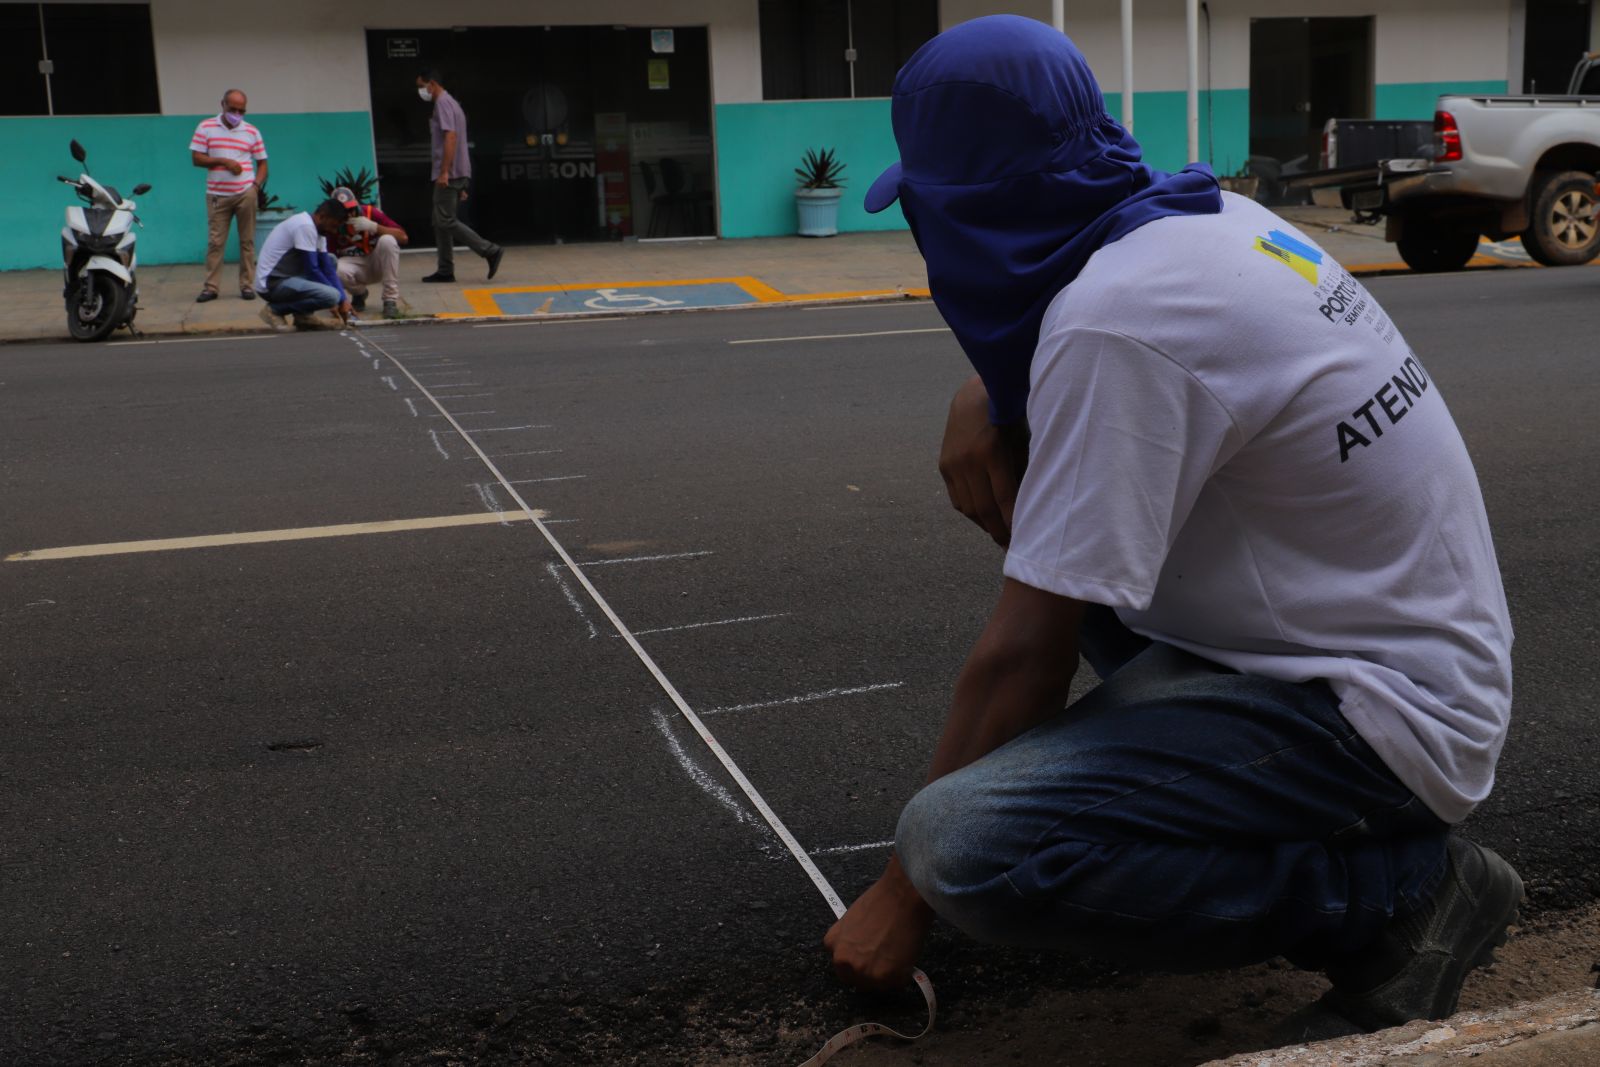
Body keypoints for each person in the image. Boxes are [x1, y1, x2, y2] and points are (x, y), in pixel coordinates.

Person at [823, 15, 1520, 1041]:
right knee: (1054, 505)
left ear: (969, 202)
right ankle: (1268, 819)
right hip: (1380, 641)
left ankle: (1402, 894)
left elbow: (1026, 654)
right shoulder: (1203, 223)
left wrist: (900, 894)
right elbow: (1138, 352)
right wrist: (990, 394)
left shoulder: (1117, 325)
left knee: (963, 844)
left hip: (1382, 713)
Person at [415, 70, 502, 283]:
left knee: (445, 219)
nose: (420, 91)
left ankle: (489, 250)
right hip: (458, 172)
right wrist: (462, 181)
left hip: (449, 173)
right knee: (440, 221)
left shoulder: (443, 104)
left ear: (432, 83)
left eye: (421, 85)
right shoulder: (454, 104)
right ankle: (445, 270)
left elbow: (451, 137)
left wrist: (445, 171)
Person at [190, 89, 269, 303]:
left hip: (246, 193)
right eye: (232, 109)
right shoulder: (206, 127)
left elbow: (263, 163)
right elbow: (196, 158)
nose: (236, 114)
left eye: (241, 110)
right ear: (222, 104)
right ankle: (211, 288)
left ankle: (246, 285)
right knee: (216, 242)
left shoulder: (251, 131)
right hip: (217, 195)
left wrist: (255, 186)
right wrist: (223, 161)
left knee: (247, 241)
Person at [254, 198, 352, 332]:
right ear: (322, 216)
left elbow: (327, 269)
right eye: (333, 226)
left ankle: (303, 317)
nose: (334, 231)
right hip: (272, 283)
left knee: (331, 260)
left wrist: (344, 299)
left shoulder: (320, 231)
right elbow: (312, 269)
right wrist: (336, 299)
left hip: (288, 277)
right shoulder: (304, 226)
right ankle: (274, 310)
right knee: (331, 296)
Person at [330, 186, 408, 319]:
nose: (348, 214)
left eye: (350, 209)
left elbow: (403, 238)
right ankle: (359, 293)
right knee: (335, 267)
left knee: (388, 240)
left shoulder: (370, 212)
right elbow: (328, 261)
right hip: (354, 268)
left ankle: (390, 300)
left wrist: (374, 227)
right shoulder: (331, 225)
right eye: (343, 212)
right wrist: (337, 300)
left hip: (377, 263)